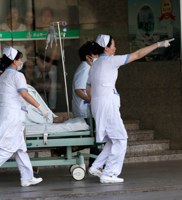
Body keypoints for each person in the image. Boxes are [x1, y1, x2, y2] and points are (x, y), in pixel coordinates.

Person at [87, 34, 174, 183]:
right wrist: (158, 44)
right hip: (107, 106)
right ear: (106, 48)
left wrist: (98, 101)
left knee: (112, 140)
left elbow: (88, 87)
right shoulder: (110, 61)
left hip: (99, 105)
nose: (115, 48)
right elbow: (138, 54)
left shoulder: (94, 64)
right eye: (113, 45)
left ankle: (96, 166)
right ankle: (109, 174)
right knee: (121, 139)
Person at [0, 46, 49, 189]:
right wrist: (41, 108)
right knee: (7, 149)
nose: (21, 62)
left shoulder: (3, 76)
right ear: (14, 61)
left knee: (20, 148)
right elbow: (25, 94)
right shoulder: (17, 75)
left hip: (7, 115)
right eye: (20, 60)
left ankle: (27, 177)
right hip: (12, 116)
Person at [72, 41, 100, 169]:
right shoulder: (84, 69)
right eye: (95, 54)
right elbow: (78, 90)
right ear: (88, 57)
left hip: (87, 109)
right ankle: (95, 166)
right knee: (94, 138)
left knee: (95, 138)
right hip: (84, 110)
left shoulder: (88, 68)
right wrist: (90, 100)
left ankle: (95, 165)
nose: (98, 57)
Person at [34, 7, 58, 111]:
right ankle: (43, 110)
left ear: (51, 17)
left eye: (48, 15)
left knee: (52, 88)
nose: (46, 17)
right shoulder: (37, 30)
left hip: (52, 63)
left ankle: (52, 110)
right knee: (40, 86)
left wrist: (50, 62)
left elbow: (55, 48)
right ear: (40, 17)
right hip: (39, 62)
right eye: (44, 15)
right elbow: (35, 48)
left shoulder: (54, 30)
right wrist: (39, 62)